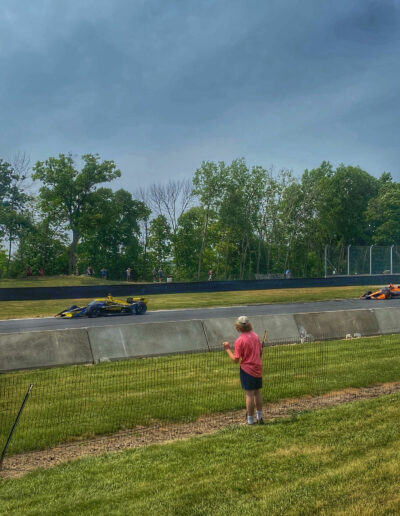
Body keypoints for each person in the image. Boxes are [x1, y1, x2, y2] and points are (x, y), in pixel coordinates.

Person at [223, 315, 264, 425]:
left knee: (249, 394)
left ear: (238, 327)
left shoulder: (240, 340)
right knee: (257, 392)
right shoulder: (256, 336)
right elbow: (260, 352)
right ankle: (260, 417)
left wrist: (227, 349)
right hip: (258, 367)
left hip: (247, 369)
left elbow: (236, 360)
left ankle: (250, 420)